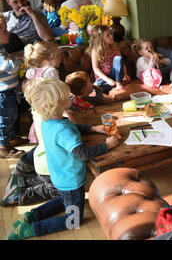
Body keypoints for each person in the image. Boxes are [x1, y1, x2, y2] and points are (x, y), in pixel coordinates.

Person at [7, 78, 121, 240]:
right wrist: (107, 146)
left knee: (64, 199)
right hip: (71, 181)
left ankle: (32, 215)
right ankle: (32, 229)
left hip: (59, 176)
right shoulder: (62, 129)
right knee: (73, 219)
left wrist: (92, 128)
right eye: (68, 97)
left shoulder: (49, 122)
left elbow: (72, 128)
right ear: (58, 104)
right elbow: (81, 152)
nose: (71, 98)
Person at [2, 79, 58, 206]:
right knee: (56, 191)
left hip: (37, 159)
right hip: (45, 164)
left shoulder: (37, 111)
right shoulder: (50, 119)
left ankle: (20, 181)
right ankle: (18, 196)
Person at [24, 41, 64, 143]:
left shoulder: (31, 72)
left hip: (39, 107)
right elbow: (58, 91)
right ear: (48, 59)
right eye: (58, 56)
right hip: (52, 105)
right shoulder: (50, 71)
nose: (61, 58)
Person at [0, 31, 24, 159]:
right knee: (5, 118)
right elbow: (12, 67)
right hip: (3, 94)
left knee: (11, 116)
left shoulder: (3, 51)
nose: (7, 33)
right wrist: (18, 60)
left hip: (8, 91)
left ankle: (9, 138)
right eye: (3, 31)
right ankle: (3, 147)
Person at [89, 25, 130, 94]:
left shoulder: (115, 48)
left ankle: (119, 83)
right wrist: (108, 80)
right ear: (100, 39)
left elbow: (121, 64)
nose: (111, 36)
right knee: (94, 88)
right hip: (104, 78)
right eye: (108, 35)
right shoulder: (95, 51)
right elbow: (96, 68)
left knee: (118, 58)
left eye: (111, 33)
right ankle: (114, 84)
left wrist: (125, 75)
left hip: (116, 75)